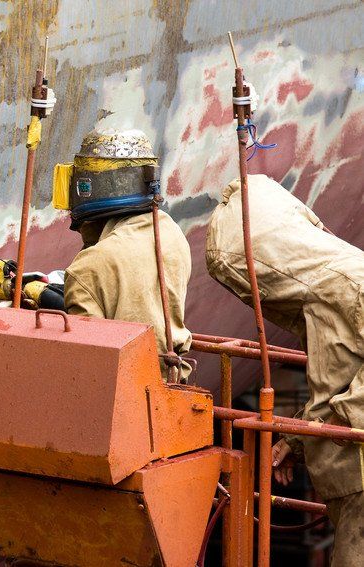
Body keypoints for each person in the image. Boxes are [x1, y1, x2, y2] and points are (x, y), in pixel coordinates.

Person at [206, 174, 364, 566]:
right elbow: (339, 378)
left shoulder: (352, 284)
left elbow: (346, 401)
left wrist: (339, 420)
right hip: (351, 481)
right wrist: (297, 440)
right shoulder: (328, 291)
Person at [58, 129, 193, 381]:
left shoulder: (86, 268)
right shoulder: (172, 234)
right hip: (173, 378)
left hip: (122, 388)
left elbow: (88, 357)